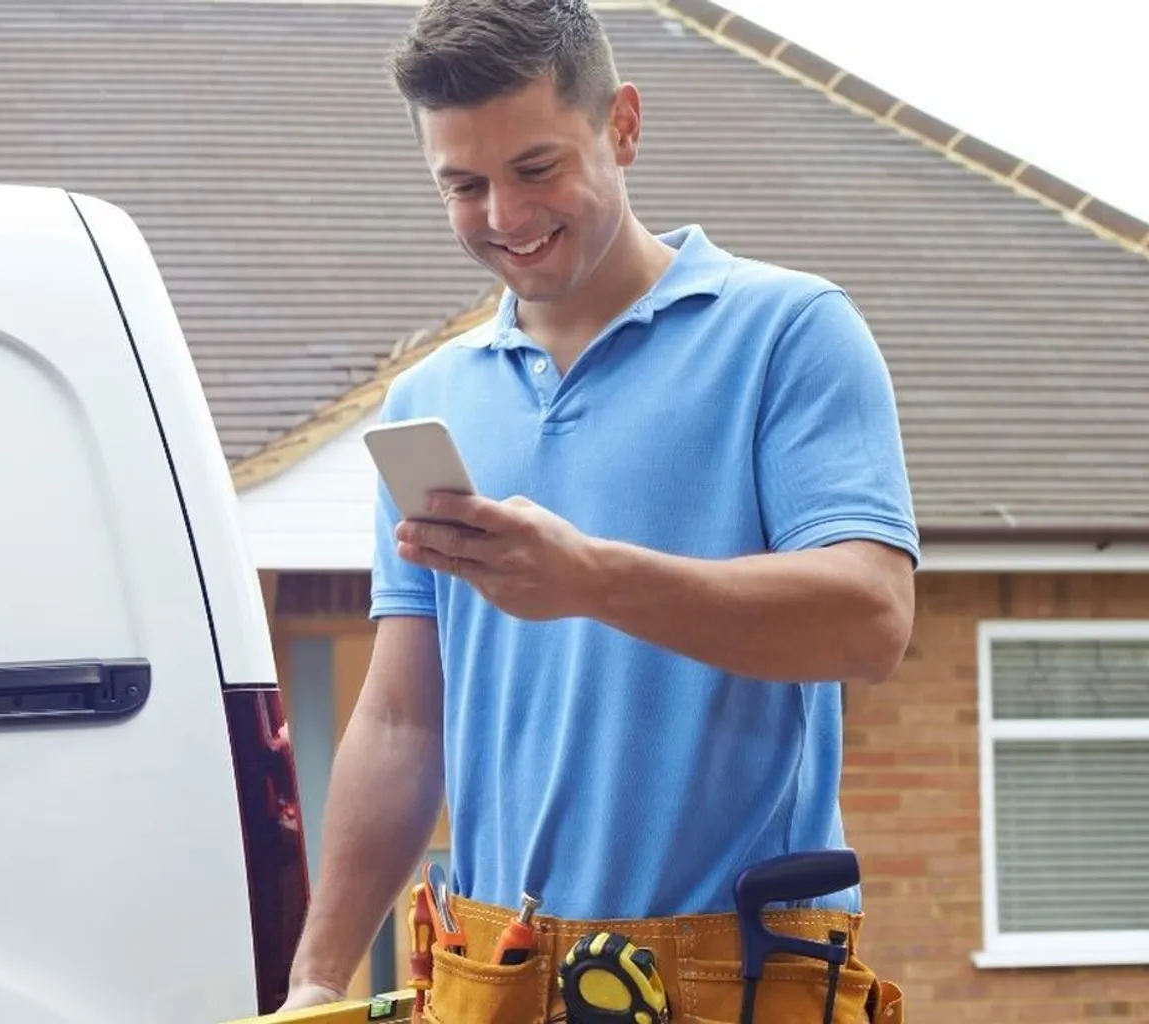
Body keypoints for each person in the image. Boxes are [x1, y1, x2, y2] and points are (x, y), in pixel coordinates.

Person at [276, 0, 917, 1019]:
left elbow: (869, 620)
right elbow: (401, 720)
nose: (503, 214)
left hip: (733, 975)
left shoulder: (786, 335)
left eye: (535, 169)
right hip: (495, 972)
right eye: (463, 184)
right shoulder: (429, 402)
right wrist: (314, 977)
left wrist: (591, 581)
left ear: (620, 125)